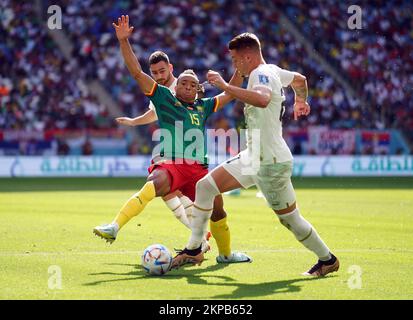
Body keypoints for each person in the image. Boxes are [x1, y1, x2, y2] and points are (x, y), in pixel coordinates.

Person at [172, 33, 340, 277]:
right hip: (254, 157)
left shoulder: (261, 75)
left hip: (270, 164)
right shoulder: (272, 70)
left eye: (235, 59)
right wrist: (300, 101)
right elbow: (300, 79)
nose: (234, 64)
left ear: (247, 56)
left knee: (290, 220)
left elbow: (262, 99)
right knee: (206, 186)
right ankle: (194, 248)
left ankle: (328, 259)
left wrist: (225, 85)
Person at [93, 15, 251, 263]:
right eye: (184, 84)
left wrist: (240, 69)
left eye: (192, 85)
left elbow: (230, 92)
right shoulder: (164, 97)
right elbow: (136, 72)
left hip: (199, 169)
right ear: (175, 87)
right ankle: (115, 226)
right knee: (154, 182)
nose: (188, 87)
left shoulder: (204, 106)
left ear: (197, 89)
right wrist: (124, 41)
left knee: (218, 209)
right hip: (172, 164)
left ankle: (226, 255)